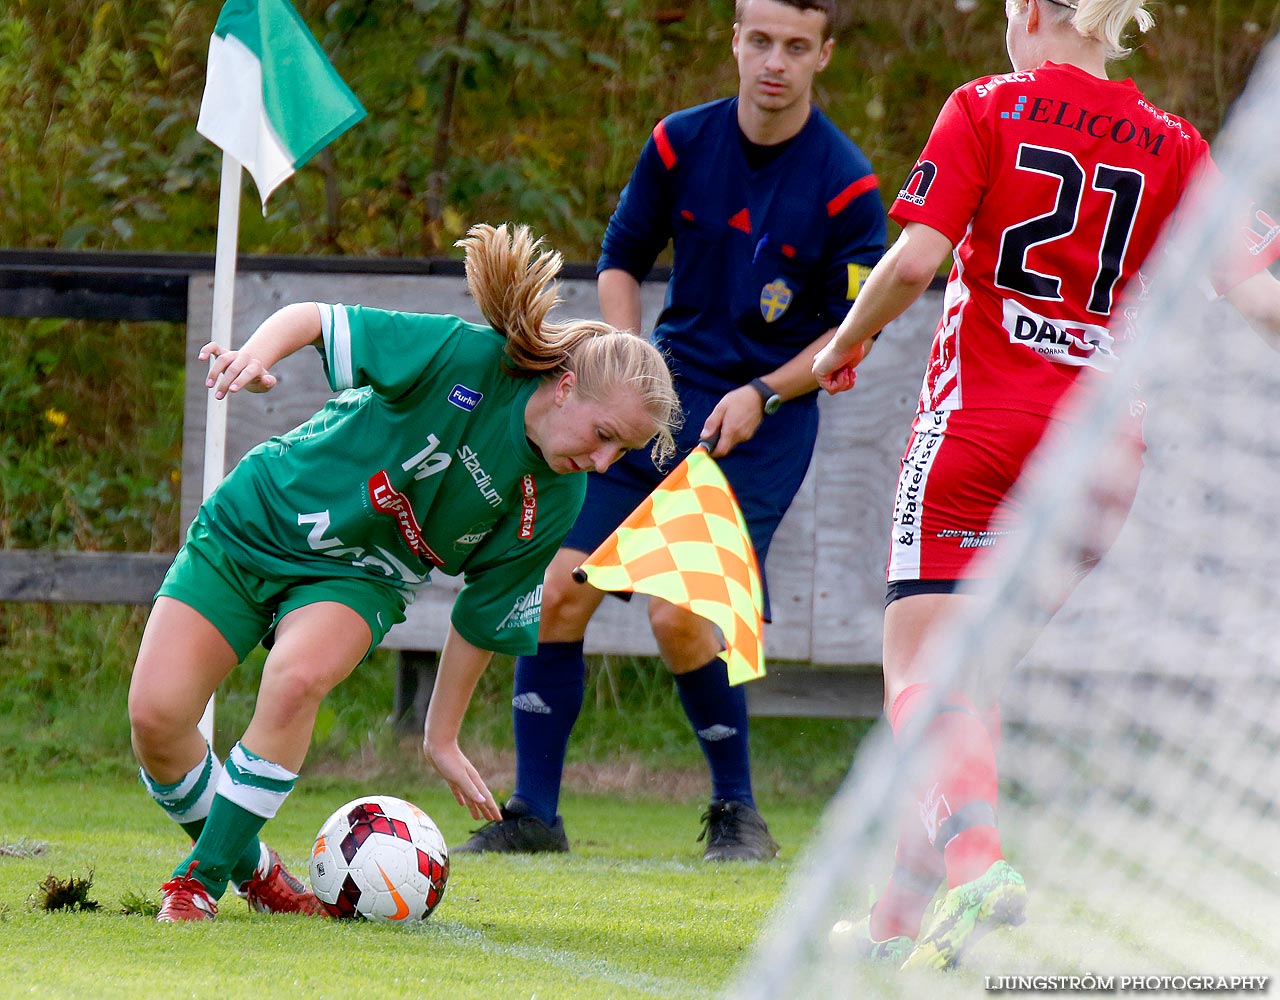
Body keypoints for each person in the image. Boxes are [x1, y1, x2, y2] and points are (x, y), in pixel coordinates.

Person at [812, 0, 1280, 970]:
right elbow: (1253, 293)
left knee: (919, 675)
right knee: (966, 689)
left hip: (976, 432)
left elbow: (917, 259)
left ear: (1028, 11)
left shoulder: (985, 106)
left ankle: (976, 863)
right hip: (1098, 458)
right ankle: (898, 919)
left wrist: (842, 343)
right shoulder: (1172, 142)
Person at [127, 222, 680, 922]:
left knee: (297, 677)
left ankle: (197, 882)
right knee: (156, 721)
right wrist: (253, 356)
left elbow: (482, 615)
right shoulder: (464, 357)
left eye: (621, 453)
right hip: (256, 520)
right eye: (604, 437)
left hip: (361, 575)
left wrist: (441, 737)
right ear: (566, 387)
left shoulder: (556, 498)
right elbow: (312, 321)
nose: (604, 464)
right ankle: (256, 869)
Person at [454, 0, 887, 862]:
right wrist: (632, 365)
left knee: (676, 617)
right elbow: (620, 256)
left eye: (796, 47)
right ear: (734, 40)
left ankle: (738, 815)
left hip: (758, 431)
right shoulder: (678, 143)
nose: (774, 61)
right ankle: (534, 815)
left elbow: (856, 330)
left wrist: (765, 390)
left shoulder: (847, 182)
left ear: (823, 56)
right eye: (760, 40)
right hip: (654, 413)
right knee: (558, 585)